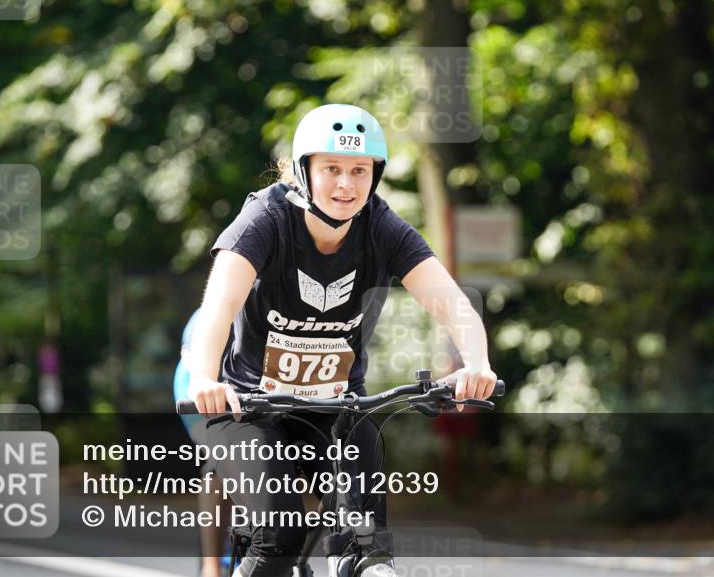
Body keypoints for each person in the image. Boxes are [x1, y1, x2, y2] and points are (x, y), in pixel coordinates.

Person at [187, 104, 497, 577]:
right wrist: (205, 380)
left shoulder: (382, 227)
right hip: (249, 408)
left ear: (375, 176)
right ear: (303, 171)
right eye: (331, 169)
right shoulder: (265, 220)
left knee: (364, 541)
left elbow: (453, 304)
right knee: (279, 534)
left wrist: (476, 363)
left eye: (359, 171)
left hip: (337, 411)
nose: (346, 185)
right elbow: (218, 308)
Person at [174, 308, 233, 577]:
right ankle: (212, 566)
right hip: (198, 380)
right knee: (221, 458)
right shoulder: (224, 297)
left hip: (245, 385)